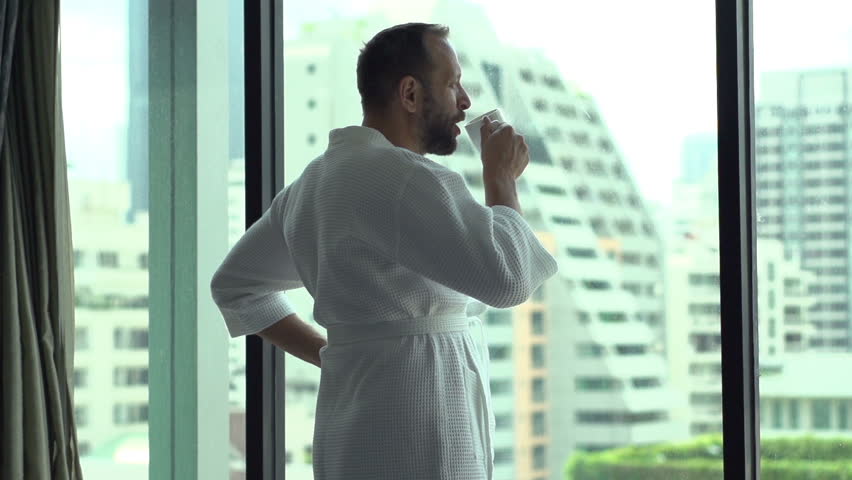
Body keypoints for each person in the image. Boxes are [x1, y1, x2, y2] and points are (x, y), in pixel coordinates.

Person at [210, 22, 558, 480]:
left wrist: (333, 353)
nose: (465, 101)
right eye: (453, 83)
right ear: (410, 94)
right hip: (420, 434)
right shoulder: (408, 178)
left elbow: (235, 287)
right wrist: (501, 178)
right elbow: (508, 279)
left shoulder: (315, 181)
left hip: (350, 419)